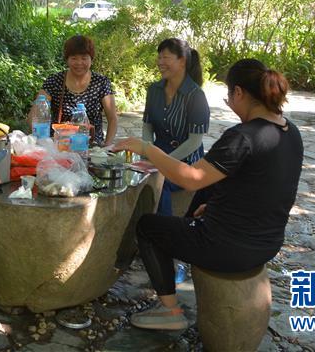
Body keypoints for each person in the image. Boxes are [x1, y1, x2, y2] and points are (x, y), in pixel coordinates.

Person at [114, 59, 303, 330]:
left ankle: (170, 311)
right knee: (208, 192)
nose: (229, 102)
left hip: (229, 247)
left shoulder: (243, 136)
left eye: (229, 95)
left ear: (239, 92)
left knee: (148, 227)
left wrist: (147, 149)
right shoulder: (290, 131)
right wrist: (215, 208)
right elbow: (261, 187)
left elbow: (191, 179)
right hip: (268, 242)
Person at [142, 38, 210, 216]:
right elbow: (147, 125)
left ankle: (164, 229)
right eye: (159, 57)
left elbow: (194, 142)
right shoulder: (154, 90)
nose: (160, 62)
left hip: (187, 162)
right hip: (157, 155)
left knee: (160, 181)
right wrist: (148, 150)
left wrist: (163, 162)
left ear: (182, 61)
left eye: (166, 57)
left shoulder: (196, 95)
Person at [35, 34, 118, 146]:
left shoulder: (101, 82)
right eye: (74, 58)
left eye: (84, 58)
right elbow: (35, 113)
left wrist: (107, 146)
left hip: (92, 147)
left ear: (91, 59)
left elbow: (112, 119)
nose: (79, 63)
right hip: (60, 147)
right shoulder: (54, 81)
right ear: (67, 59)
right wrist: (39, 142)